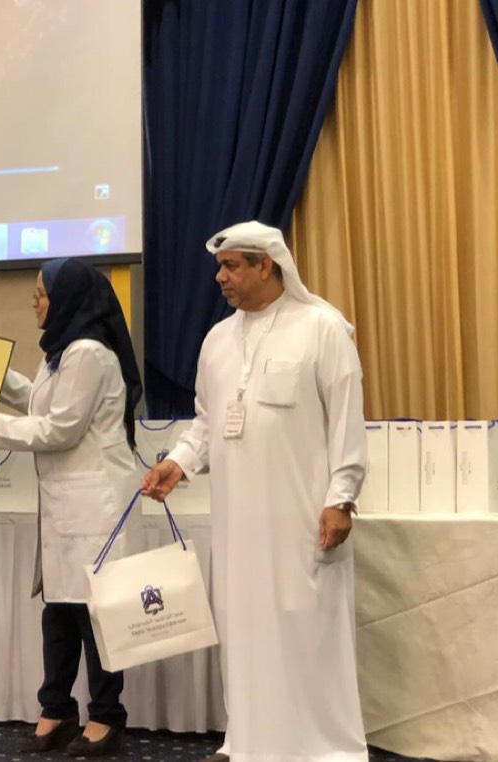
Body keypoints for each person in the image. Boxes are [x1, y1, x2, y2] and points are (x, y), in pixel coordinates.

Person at [142, 221, 367, 762]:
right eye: (219, 268)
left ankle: (320, 748)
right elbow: (206, 422)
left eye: (231, 266)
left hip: (302, 518)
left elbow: (347, 421)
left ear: (266, 265)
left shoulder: (321, 327)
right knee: (244, 628)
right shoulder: (218, 340)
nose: (220, 278)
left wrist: (341, 498)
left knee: (305, 629)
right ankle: (246, 740)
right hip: (237, 523)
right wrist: (178, 463)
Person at [0, 258, 144, 758]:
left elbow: (61, 429)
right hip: (68, 502)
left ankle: (107, 717)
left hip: (95, 503)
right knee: (61, 612)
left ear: (69, 298)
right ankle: (58, 710)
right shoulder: (63, 351)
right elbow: (39, 403)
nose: (35, 302)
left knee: (95, 615)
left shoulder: (88, 352)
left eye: (42, 293)